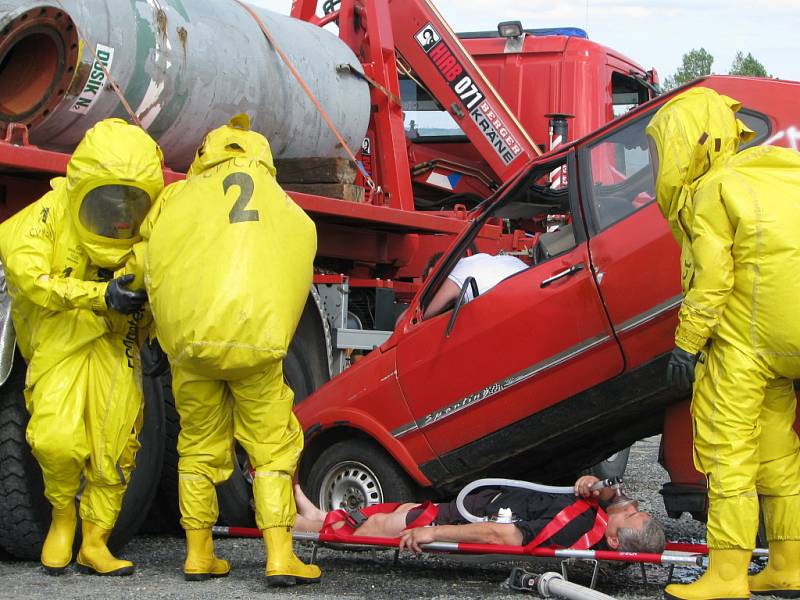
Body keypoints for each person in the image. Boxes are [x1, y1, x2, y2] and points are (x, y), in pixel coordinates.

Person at [136, 115, 319, 586]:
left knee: (195, 447)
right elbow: (301, 248)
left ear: (206, 152)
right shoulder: (279, 201)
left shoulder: (178, 196)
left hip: (192, 348)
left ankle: (199, 553)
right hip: (255, 347)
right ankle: (280, 556)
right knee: (272, 449)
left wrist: (154, 329)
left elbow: (148, 261)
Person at [646, 87, 800, 600]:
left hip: (743, 345)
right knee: (779, 454)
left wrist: (687, 344)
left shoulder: (712, 190)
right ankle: (788, 565)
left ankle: (728, 577)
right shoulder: (774, 173)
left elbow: (713, 279)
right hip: (787, 343)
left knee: (728, 452)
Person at [0, 119, 163, 575]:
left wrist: (154, 327)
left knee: (116, 446)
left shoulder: (148, 233)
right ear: (82, 186)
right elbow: (30, 278)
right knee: (56, 440)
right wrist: (99, 296)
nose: (119, 215)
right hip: (59, 346)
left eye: (131, 202)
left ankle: (95, 540)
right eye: (108, 200)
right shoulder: (45, 216)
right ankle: (61, 516)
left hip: (115, 345)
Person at [292, 475, 666, 554]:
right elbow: (611, 492)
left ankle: (285, 524)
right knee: (400, 511)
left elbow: (504, 537)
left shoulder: (578, 531)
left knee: (376, 526)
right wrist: (594, 485)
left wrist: (436, 534)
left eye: (631, 514)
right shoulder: (599, 514)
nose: (629, 505)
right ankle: (312, 512)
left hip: (462, 518)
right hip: (469, 505)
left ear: (615, 539)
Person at [424, 252, 528, 318]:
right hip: (533, 280)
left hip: (518, 307)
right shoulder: (480, 257)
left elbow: (421, 316)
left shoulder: (454, 276)